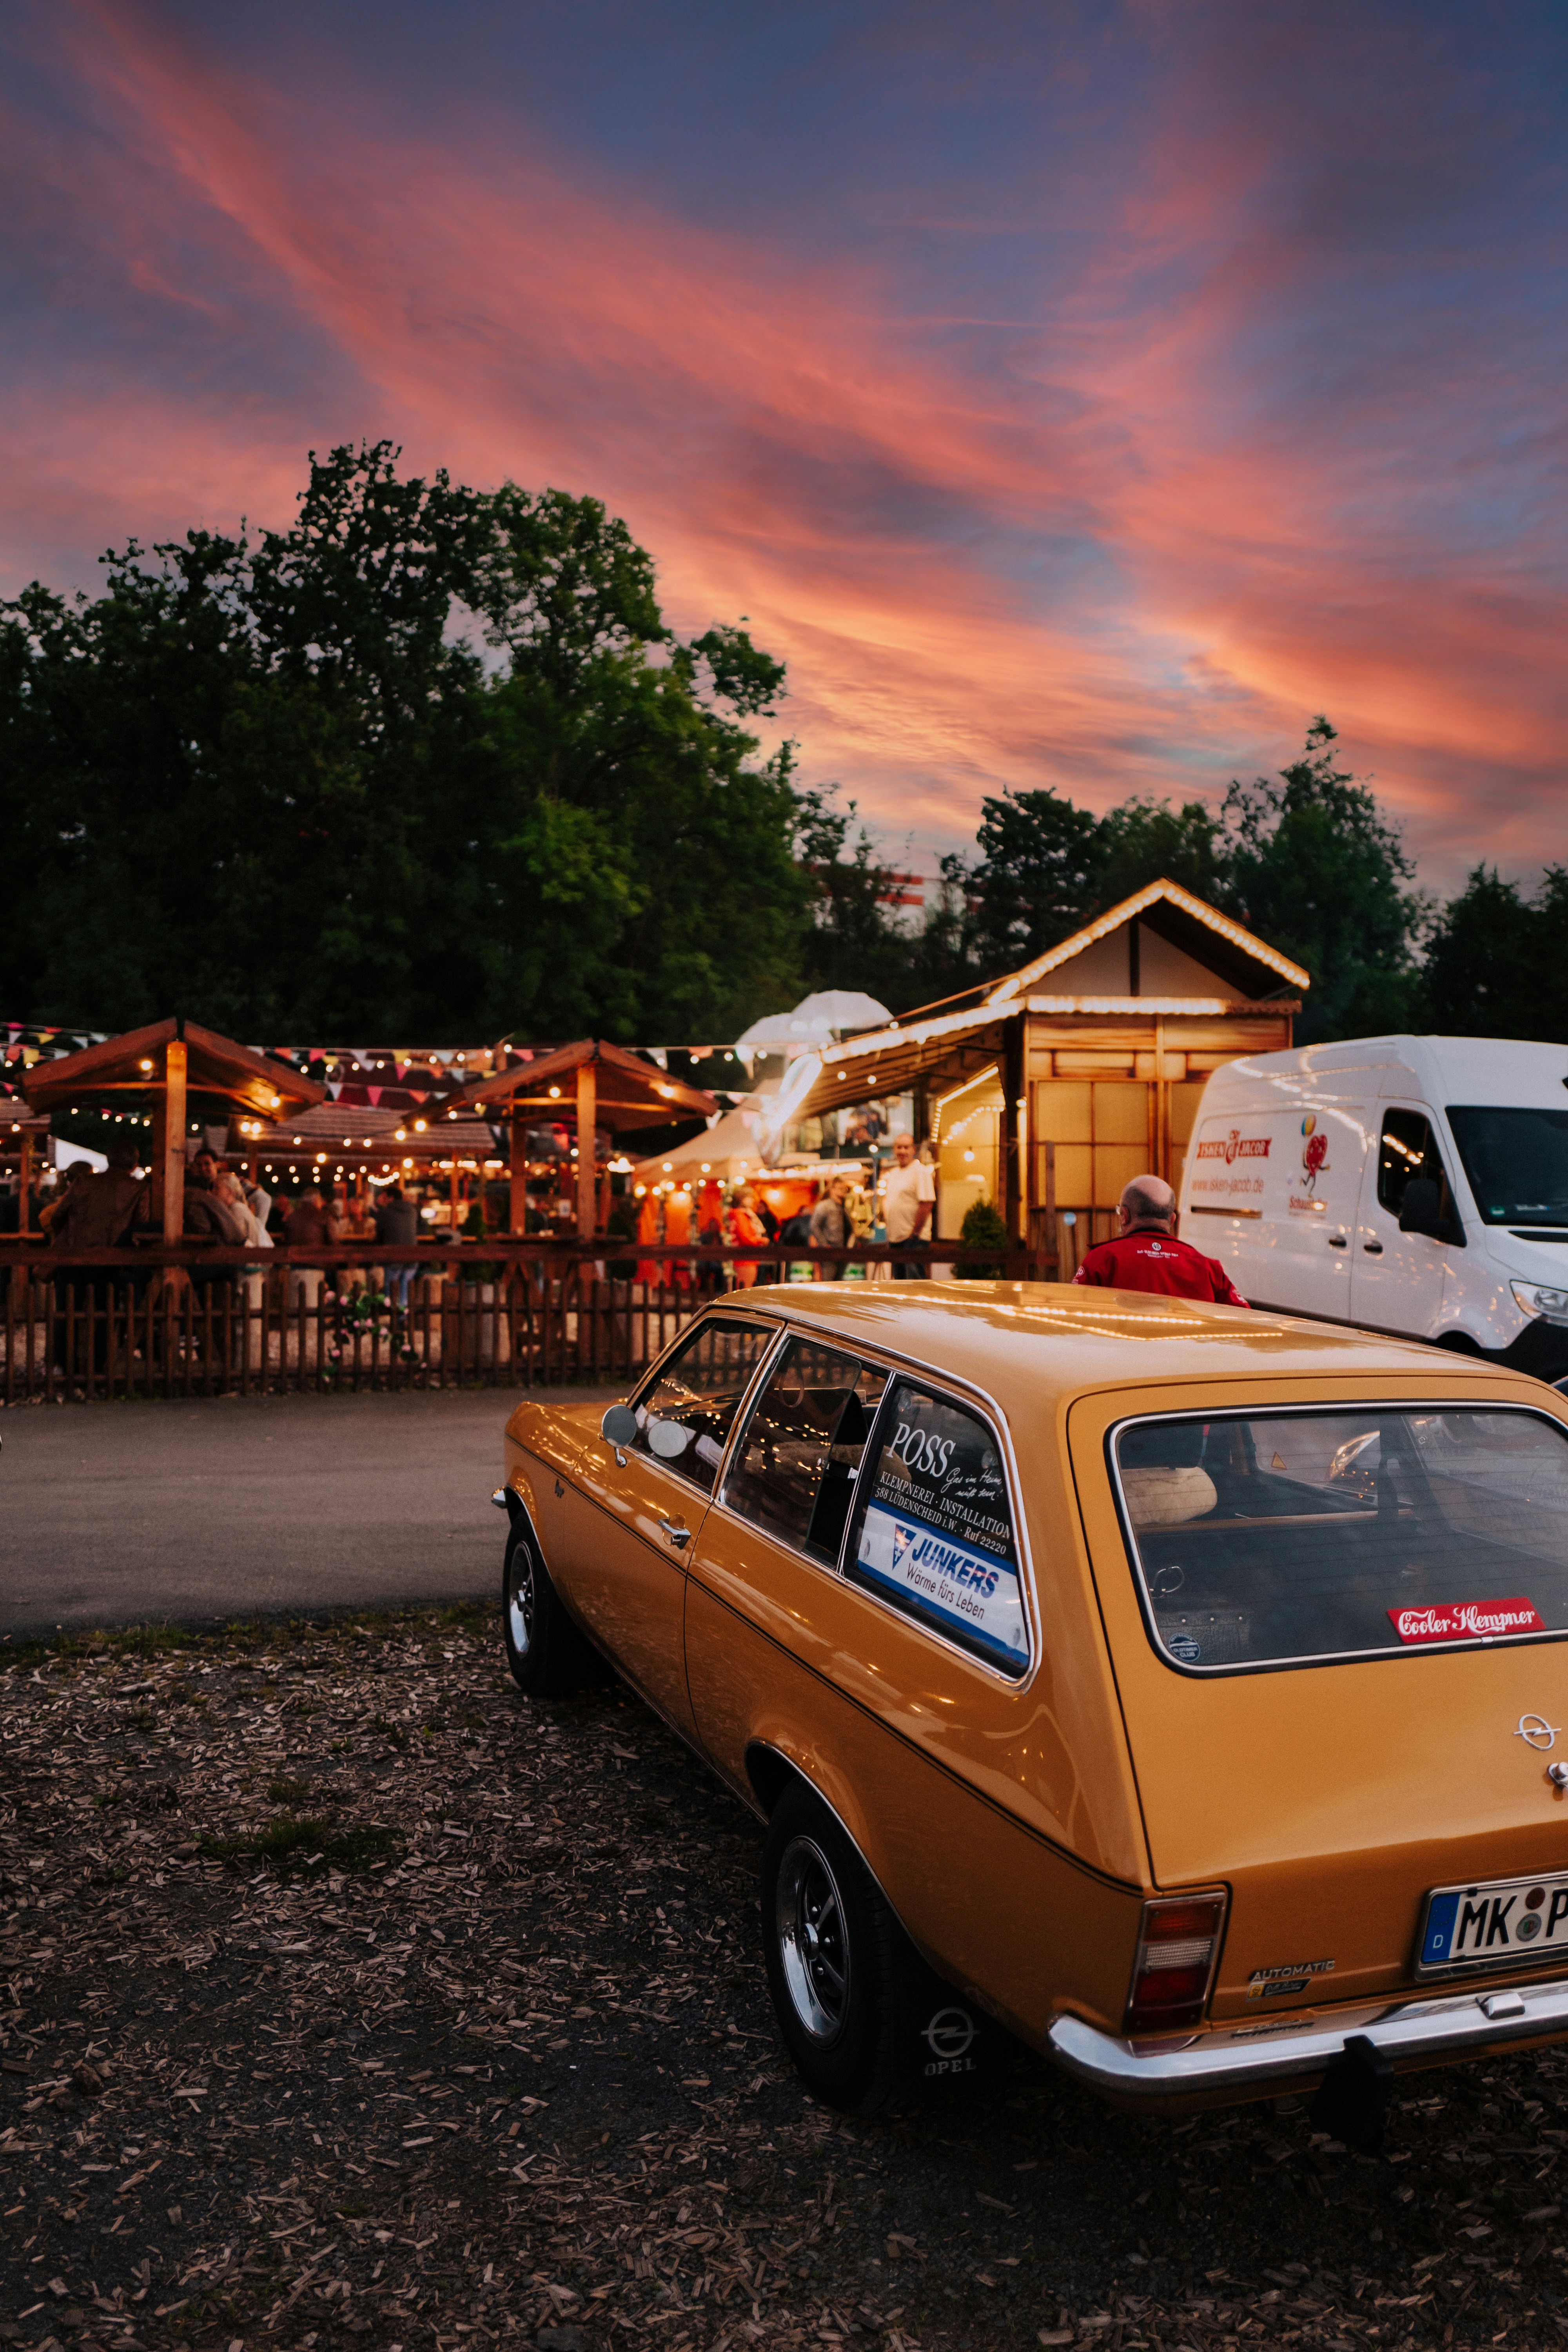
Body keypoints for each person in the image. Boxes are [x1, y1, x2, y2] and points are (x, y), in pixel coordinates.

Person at [44, 1139, 149, 1372]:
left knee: (66, 1312)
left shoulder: (85, 1182)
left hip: (73, 1256)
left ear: (109, 1160)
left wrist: (71, 1237)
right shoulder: (139, 1190)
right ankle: (98, 1368)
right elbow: (141, 1226)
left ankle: (62, 1366)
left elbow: (57, 1217)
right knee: (103, 1314)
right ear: (134, 1165)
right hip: (110, 1260)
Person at [1071, 1174, 1249, 1304]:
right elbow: (1245, 1321)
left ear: (1124, 1216)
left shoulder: (1101, 1260)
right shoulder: (1208, 1269)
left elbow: (1075, 1313)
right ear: (1172, 1220)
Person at [882, 1131, 936, 1279]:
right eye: (899, 1147)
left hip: (913, 1240)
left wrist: (915, 1233)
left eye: (906, 1147)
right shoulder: (893, 1174)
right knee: (899, 1286)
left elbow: (927, 1203)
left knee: (914, 1285)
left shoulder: (921, 1172)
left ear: (914, 1150)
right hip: (895, 1239)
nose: (902, 1151)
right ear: (894, 1150)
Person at [374, 1180, 421, 1310]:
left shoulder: (385, 1212)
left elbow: (379, 1234)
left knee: (392, 1289)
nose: (382, 1200)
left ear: (391, 1198)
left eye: (384, 1197)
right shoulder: (412, 1211)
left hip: (393, 1257)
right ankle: (402, 1318)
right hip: (412, 1258)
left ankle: (394, 1317)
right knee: (405, 1287)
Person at [809, 1174, 853, 1279]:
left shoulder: (843, 1207)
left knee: (838, 1282)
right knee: (829, 1281)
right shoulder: (825, 1206)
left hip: (842, 1250)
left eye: (844, 1188)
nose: (843, 1191)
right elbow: (814, 1225)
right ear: (832, 1190)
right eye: (840, 1188)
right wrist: (824, 1244)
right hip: (831, 1251)